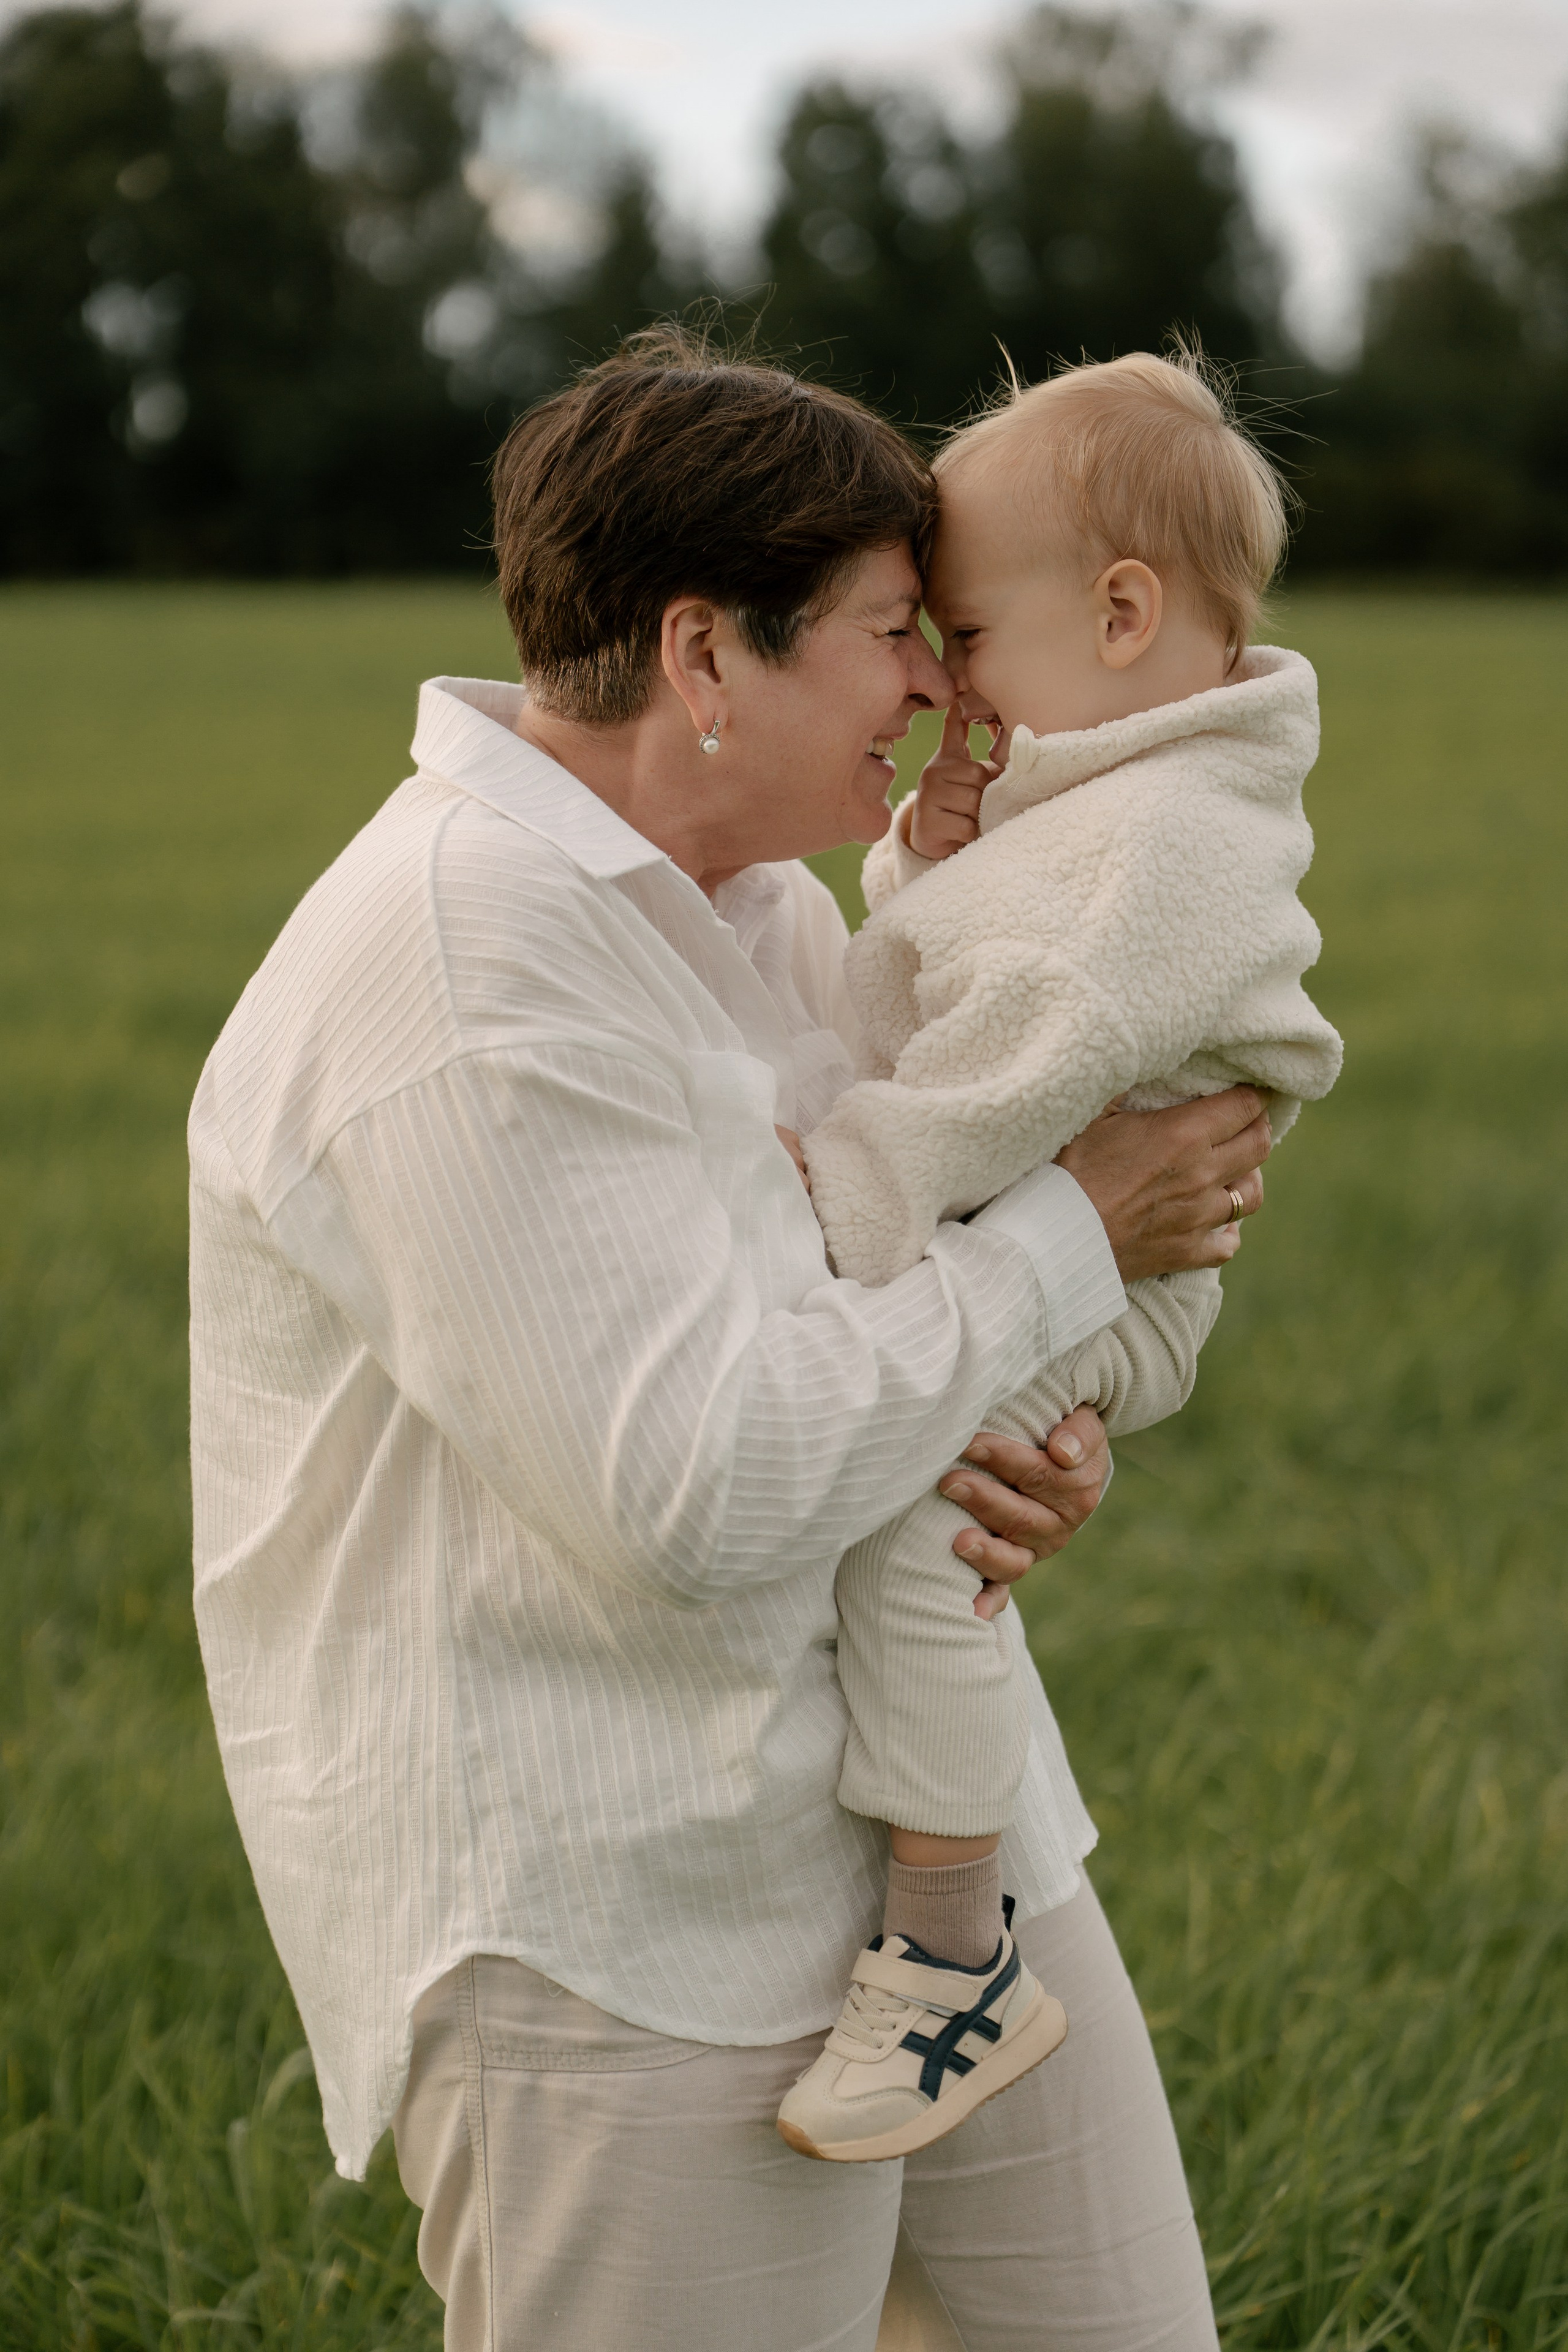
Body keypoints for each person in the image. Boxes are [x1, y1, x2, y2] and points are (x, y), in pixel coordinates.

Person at [188, 326, 1273, 2352]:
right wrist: (1078, 1232)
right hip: (623, 1931)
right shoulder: (459, 969)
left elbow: (877, 1300)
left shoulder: (757, 897)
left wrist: (1029, 1433)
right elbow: (699, 1493)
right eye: (887, 632)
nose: (941, 683)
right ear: (704, 658)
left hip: (945, 1853)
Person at [775, 350, 1342, 2167]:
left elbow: (997, 1080)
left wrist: (836, 1201)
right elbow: (978, 990)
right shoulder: (1118, 781)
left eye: (963, 631)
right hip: (1073, 1222)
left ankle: (951, 1957)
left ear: (1118, 613)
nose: (943, 679)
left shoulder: (1160, 848)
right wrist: (920, 862)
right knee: (933, 1481)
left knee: (924, 1522)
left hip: (1131, 1269)